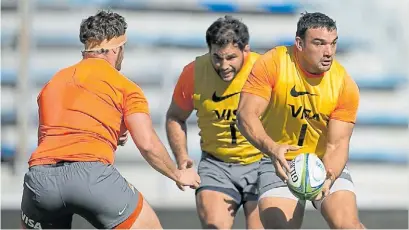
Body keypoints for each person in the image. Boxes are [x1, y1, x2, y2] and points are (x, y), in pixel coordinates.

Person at [20, 10, 200, 229]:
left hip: (40, 180)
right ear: (117, 48)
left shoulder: (53, 82)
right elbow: (147, 143)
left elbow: (54, 136)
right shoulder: (124, 86)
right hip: (91, 176)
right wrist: (177, 174)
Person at [236, 12, 365, 229]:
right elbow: (245, 114)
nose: (328, 52)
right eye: (319, 43)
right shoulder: (273, 63)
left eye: (333, 44)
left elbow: (338, 144)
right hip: (279, 160)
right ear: (299, 43)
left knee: (349, 226)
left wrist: (328, 179)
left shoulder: (344, 84)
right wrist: (272, 148)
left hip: (324, 161)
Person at [165, 16, 264, 229]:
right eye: (217, 57)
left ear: (246, 50)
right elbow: (175, 117)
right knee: (214, 226)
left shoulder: (265, 70)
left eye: (231, 57)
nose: (224, 65)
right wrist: (182, 158)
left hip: (262, 163)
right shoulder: (193, 72)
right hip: (217, 164)